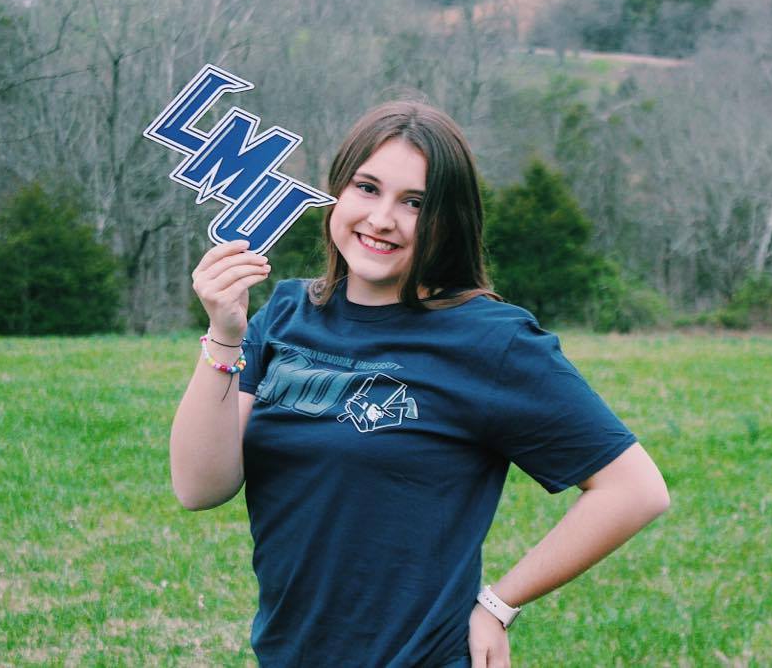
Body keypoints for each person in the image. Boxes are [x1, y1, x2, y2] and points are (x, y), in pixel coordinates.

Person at [169, 100, 670, 667]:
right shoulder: (285, 313)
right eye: (366, 188)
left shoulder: (491, 341)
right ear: (336, 191)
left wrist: (499, 604)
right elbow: (200, 487)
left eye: (415, 203)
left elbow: (634, 490)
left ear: (449, 220)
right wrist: (224, 334)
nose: (382, 218)